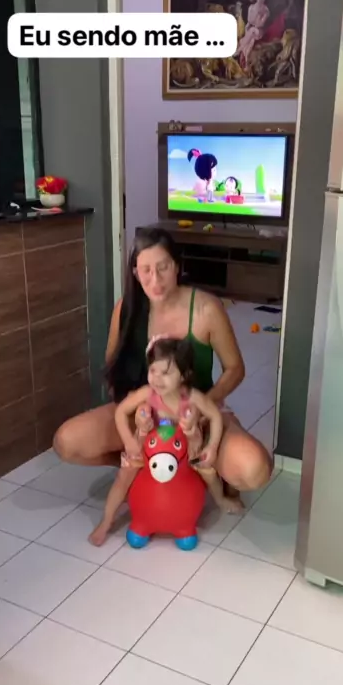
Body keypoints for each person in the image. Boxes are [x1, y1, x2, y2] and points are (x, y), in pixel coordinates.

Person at [53, 227, 273, 535]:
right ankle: (150, 466)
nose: (154, 280)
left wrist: (203, 408)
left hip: (196, 413)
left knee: (254, 469)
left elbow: (235, 369)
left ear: (177, 266)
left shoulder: (206, 308)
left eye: (163, 267)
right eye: (145, 270)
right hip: (146, 410)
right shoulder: (126, 308)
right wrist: (136, 418)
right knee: (66, 442)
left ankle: (200, 468)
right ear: (135, 272)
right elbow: (113, 368)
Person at [90, 335, 240, 546]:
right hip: (148, 451)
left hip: (184, 453)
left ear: (184, 375)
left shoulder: (192, 397)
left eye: (166, 373)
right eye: (153, 371)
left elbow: (215, 416)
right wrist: (129, 441)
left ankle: (220, 499)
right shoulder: (147, 394)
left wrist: (212, 447)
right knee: (124, 476)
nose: (157, 379)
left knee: (208, 471)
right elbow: (121, 412)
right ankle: (106, 521)